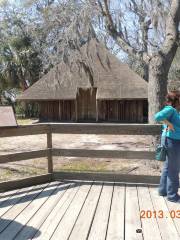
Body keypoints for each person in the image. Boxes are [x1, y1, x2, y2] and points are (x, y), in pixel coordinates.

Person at [154, 91, 180, 203]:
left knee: (168, 167)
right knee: (173, 169)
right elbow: (157, 116)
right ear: (177, 100)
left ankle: (163, 190)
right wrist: (168, 124)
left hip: (171, 140)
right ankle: (172, 196)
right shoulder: (170, 109)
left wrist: (169, 123)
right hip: (172, 141)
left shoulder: (174, 111)